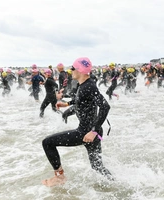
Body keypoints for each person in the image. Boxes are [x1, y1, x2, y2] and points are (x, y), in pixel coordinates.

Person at [41, 57, 113, 187]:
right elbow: (82, 101)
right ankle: (116, 185)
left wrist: (93, 131)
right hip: (90, 132)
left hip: (86, 132)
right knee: (97, 167)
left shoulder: (89, 86)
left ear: (80, 70)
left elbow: (105, 106)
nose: (71, 70)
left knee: (47, 143)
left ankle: (59, 177)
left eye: (72, 68)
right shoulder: (84, 85)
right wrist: (66, 104)